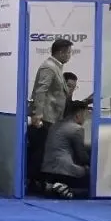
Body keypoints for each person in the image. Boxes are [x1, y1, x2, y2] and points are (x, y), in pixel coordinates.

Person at [28, 38, 73, 189]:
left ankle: (40, 181)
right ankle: (34, 182)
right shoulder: (49, 67)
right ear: (61, 52)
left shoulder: (57, 67)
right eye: (68, 52)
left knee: (45, 151)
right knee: (40, 151)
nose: (69, 56)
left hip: (53, 117)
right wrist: (38, 114)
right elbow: (41, 91)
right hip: (45, 117)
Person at [41, 100, 91, 198]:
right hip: (64, 171)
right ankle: (67, 189)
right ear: (78, 114)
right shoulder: (76, 129)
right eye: (85, 115)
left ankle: (53, 186)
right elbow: (82, 156)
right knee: (90, 172)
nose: (86, 119)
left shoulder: (55, 125)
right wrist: (92, 163)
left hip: (47, 169)